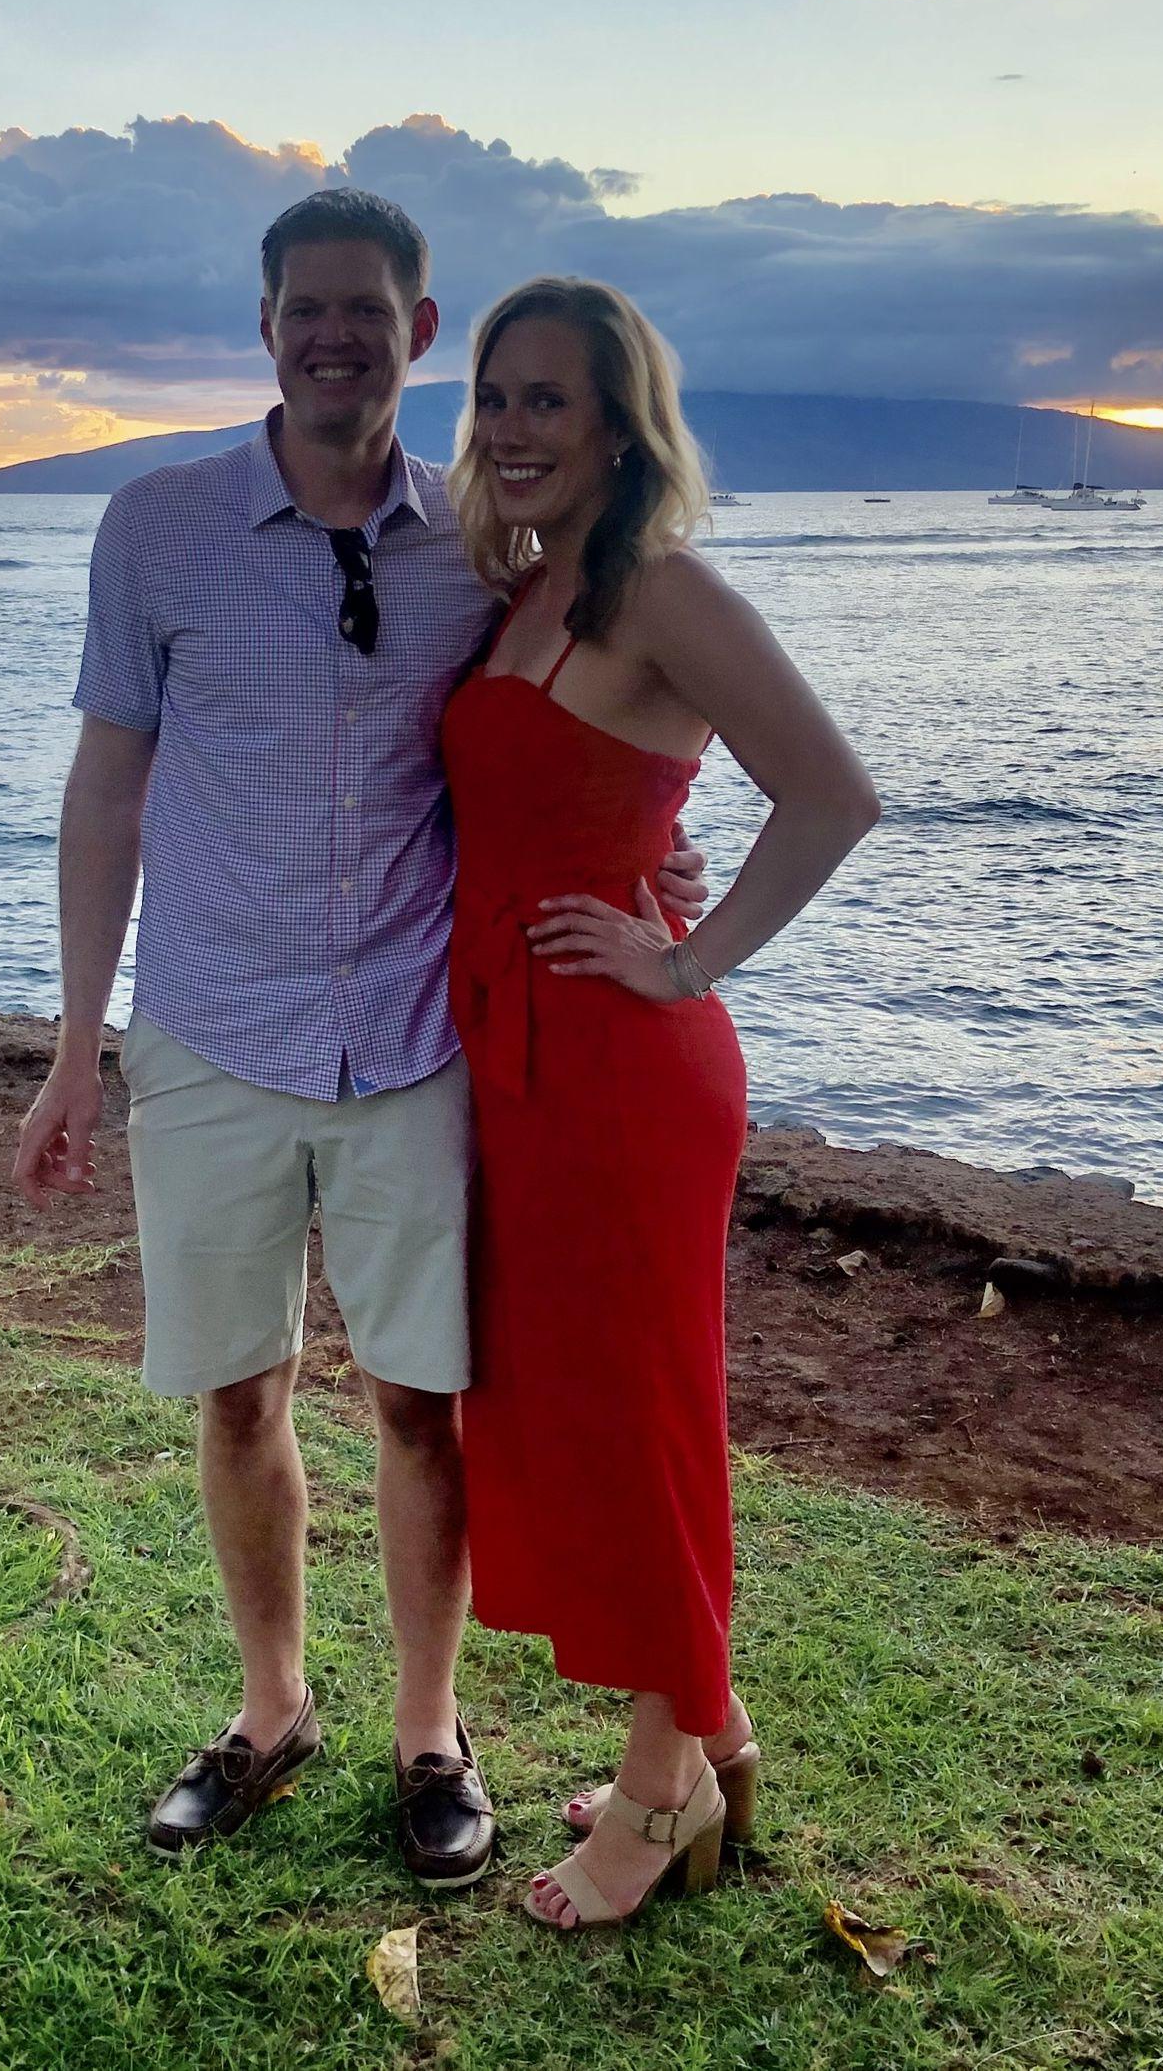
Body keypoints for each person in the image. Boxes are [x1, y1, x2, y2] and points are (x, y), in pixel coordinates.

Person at [9, 193, 707, 1889]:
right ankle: (271, 1711)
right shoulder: (155, 527)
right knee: (238, 1388)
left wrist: (655, 857)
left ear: (418, 330)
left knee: (419, 1400)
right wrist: (74, 1043)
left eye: (368, 310)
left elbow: (577, 718)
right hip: (210, 1030)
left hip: (411, 1034)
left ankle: (428, 1732)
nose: (336, 336)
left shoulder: (484, 544)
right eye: (306, 308)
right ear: (266, 327)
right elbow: (107, 791)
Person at [439, 275, 882, 1931]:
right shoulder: (524, 586)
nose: (512, 427)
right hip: (516, 1067)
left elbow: (831, 794)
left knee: (641, 1418)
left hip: (624, 1073)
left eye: (548, 399)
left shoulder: (662, 588)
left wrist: (687, 959)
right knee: (574, 1405)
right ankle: (716, 1727)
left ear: (621, 427)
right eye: (494, 396)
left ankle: (661, 1789)